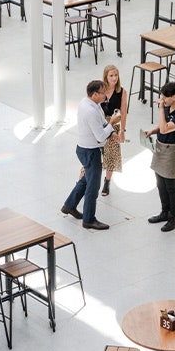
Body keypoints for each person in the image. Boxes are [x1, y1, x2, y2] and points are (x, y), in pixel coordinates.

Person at [61, 80, 120, 230]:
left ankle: (69, 205)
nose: (106, 95)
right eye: (103, 93)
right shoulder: (90, 111)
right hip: (90, 152)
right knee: (93, 188)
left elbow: (102, 122)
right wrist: (112, 123)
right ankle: (88, 220)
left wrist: (111, 131)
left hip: (85, 149)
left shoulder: (91, 103)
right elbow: (100, 137)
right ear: (94, 94)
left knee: (86, 180)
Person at [144, 82, 175, 232]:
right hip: (160, 147)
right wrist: (153, 131)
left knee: (171, 185)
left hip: (171, 151)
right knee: (160, 183)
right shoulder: (168, 106)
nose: (162, 99)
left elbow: (165, 128)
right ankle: (165, 211)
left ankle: (174, 217)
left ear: (174, 97)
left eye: (165, 97)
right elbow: (162, 126)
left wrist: (161, 109)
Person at [99, 64, 127, 197]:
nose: (114, 78)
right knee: (95, 152)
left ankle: (107, 182)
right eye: (111, 75)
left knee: (111, 155)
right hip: (100, 123)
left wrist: (122, 131)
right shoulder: (100, 90)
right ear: (106, 76)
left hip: (114, 124)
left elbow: (124, 113)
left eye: (116, 75)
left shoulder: (122, 92)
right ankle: (83, 180)